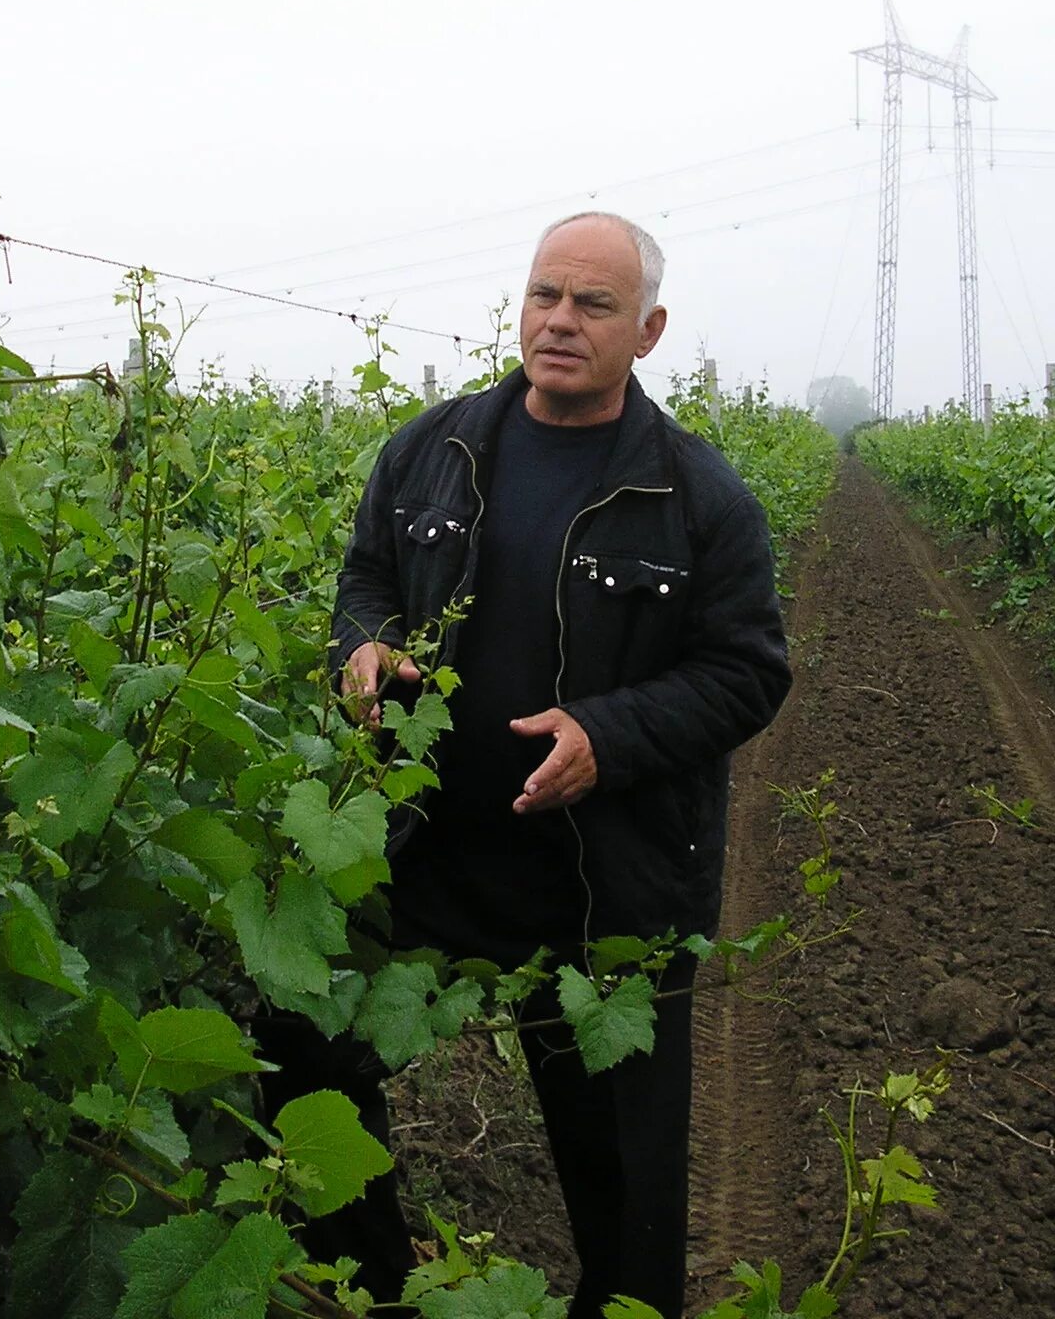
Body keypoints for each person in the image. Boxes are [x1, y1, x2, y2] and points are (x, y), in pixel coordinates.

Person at [262, 210, 792, 1319]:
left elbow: (747, 673)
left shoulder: (698, 499)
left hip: (604, 893)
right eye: (545, 295)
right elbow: (360, 581)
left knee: (621, 1196)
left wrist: (610, 735)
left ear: (645, 331)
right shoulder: (430, 450)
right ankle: (380, 1290)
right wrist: (359, 646)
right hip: (424, 864)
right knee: (303, 1056)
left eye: (592, 304)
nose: (559, 321)